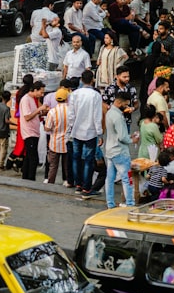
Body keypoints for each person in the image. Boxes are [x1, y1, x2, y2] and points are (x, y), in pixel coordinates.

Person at [68, 70, 103, 198]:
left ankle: (78, 184)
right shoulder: (95, 95)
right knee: (88, 160)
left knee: (76, 158)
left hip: (76, 130)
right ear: (92, 80)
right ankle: (87, 188)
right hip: (90, 131)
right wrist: (100, 133)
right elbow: (97, 115)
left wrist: (70, 128)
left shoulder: (75, 94)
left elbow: (71, 114)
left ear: (81, 80)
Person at [105, 91, 136, 209]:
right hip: (120, 151)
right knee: (127, 179)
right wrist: (132, 140)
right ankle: (130, 204)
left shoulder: (110, 113)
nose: (127, 107)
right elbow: (123, 137)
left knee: (110, 179)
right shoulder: (118, 117)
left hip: (110, 150)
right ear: (118, 102)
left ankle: (110, 203)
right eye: (125, 104)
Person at [18, 82, 48, 181]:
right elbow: (27, 117)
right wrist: (39, 109)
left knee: (29, 156)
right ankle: (31, 178)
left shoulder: (32, 99)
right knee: (33, 157)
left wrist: (40, 111)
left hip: (34, 131)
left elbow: (34, 114)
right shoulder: (26, 99)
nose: (42, 94)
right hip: (29, 132)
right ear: (35, 90)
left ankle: (26, 177)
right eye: (41, 92)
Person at [44, 88, 71, 185]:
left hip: (54, 143)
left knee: (53, 166)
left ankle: (51, 182)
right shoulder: (71, 110)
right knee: (67, 165)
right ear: (67, 98)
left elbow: (47, 128)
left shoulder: (52, 112)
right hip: (67, 142)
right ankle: (68, 181)